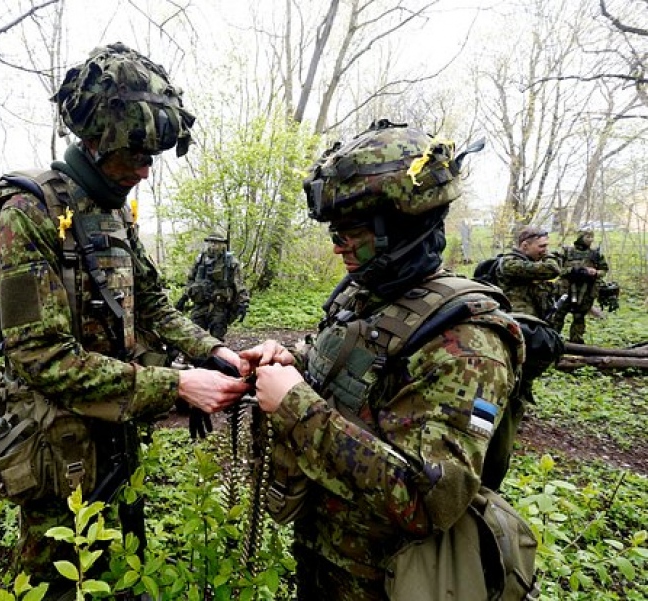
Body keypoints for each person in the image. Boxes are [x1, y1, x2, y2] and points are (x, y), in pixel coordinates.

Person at [0, 43, 249, 590]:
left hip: (117, 424)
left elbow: (152, 302)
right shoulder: (28, 210)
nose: (146, 172)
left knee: (123, 558)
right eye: (136, 157)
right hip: (58, 439)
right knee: (57, 574)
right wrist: (175, 385)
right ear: (96, 141)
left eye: (153, 159)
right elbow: (39, 356)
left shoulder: (113, 209)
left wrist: (212, 351)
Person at [239, 120, 528, 599]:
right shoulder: (369, 295)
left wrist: (293, 405)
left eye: (351, 233)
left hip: (387, 580)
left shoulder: (471, 341)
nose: (337, 246)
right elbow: (357, 367)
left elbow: (431, 498)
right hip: (327, 560)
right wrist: (291, 361)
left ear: (402, 224)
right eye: (335, 232)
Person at [175, 232, 250, 341]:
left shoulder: (231, 262)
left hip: (219, 307)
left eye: (216, 243)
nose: (213, 245)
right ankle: (193, 358)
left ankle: (215, 358)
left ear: (222, 245)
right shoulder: (200, 260)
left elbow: (239, 285)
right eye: (211, 242)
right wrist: (184, 298)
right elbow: (191, 279)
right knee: (193, 338)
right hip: (200, 305)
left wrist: (243, 304)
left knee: (216, 339)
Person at [549, 229, 609, 343]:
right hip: (565, 289)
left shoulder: (595, 254)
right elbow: (556, 269)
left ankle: (576, 342)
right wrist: (573, 270)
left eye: (592, 237)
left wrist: (595, 273)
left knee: (579, 317)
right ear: (580, 237)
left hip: (586, 290)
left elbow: (604, 269)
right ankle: (552, 339)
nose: (590, 239)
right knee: (558, 315)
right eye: (587, 237)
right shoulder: (566, 252)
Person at [496, 226, 561, 320]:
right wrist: (549, 256)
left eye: (546, 246)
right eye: (542, 246)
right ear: (525, 246)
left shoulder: (530, 261)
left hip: (532, 318)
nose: (545, 250)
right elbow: (552, 269)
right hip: (518, 320)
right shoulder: (510, 263)